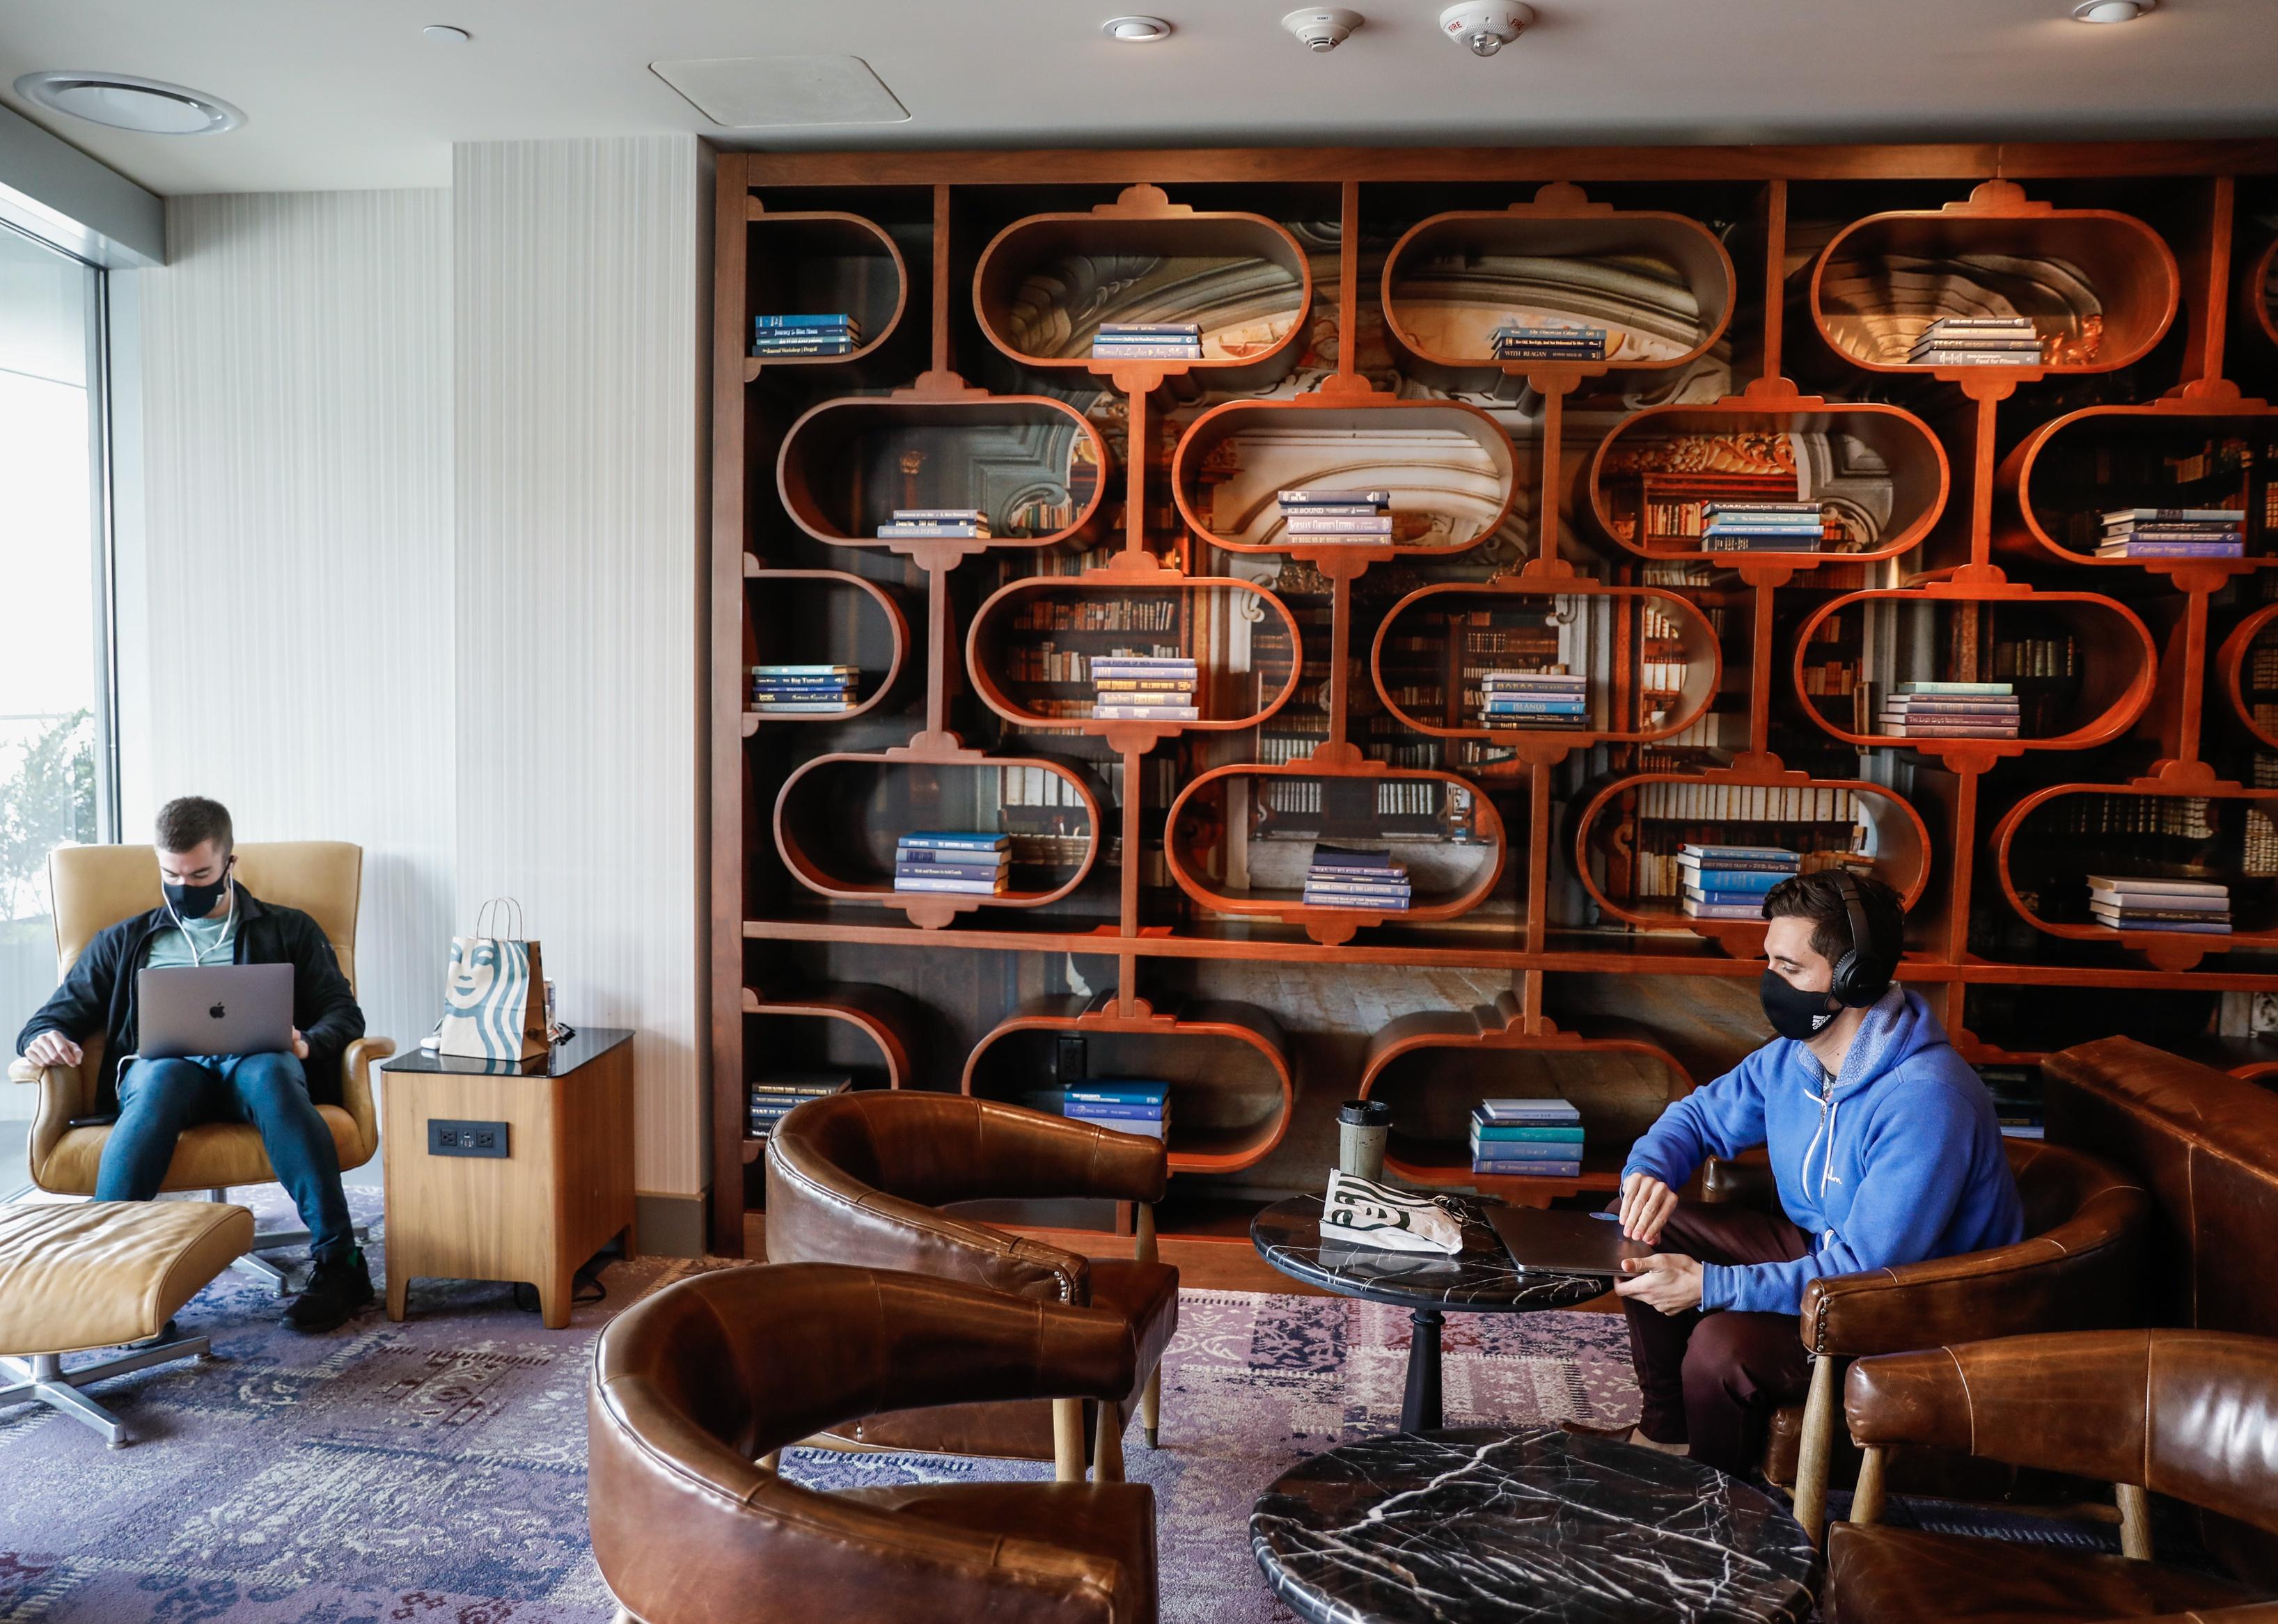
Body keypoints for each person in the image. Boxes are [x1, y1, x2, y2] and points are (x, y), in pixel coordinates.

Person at [1607, 869, 2022, 1474]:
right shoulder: (1793, 1058)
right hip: (1832, 1258)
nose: (1771, 982)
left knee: (1719, 1349)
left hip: (1910, 1308)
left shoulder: (1927, 1100)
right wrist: (1651, 1168)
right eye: (1769, 961)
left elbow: (1866, 1272)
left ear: (1857, 978)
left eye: (1790, 968)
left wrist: (1715, 1286)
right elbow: (1698, 1117)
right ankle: (1667, 1436)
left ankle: (1711, 1502)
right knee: (1646, 1233)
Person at [15, 796, 377, 1333]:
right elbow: (51, 1018)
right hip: (166, 1072)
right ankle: (110, 1279)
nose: (186, 885)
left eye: (201, 872)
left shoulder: (289, 929)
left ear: (230, 863)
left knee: (273, 1070)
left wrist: (305, 1043)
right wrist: (43, 1039)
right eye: (172, 874)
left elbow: (344, 1014)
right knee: (160, 1078)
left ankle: (341, 1264)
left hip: (254, 1067)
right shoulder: (125, 939)